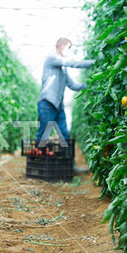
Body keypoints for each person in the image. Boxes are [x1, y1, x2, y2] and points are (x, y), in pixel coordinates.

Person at [36, 38, 95, 174]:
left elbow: (73, 85)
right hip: (47, 103)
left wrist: (91, 84)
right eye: (68, 47)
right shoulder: (51, 59)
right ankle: (39, 165)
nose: (69, 51)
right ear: (60, 45)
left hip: (58, 106)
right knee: (43, 135)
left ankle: (71, 166)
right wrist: (93, 63)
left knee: (65, 135)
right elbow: (71, 62)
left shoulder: (63, 69)